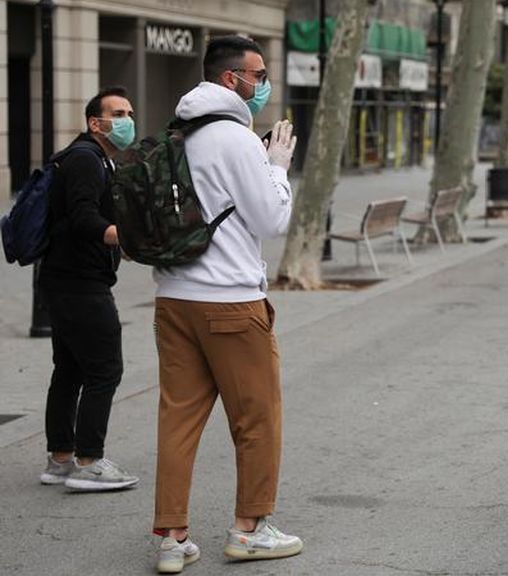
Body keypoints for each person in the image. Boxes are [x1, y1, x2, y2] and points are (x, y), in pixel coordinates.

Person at [150, 35, 300, 574]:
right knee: (257, 418)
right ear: (232, 79)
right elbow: (271, 221)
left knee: (178, 420)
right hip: (231, 302)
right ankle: (251, 528)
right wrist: (277, 166)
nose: (264, 86)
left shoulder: (178, 132)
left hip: (173, 298)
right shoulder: (235, 140)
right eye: (259, 76)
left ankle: (171, 537)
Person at [38, 86, 140, 492]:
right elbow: (83, 218)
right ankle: (89, 461)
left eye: (129, 111)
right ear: (95, 123)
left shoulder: (91, 157)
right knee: (105, 369)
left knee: (70, 369)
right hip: (80, 284)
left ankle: (60, 458)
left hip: (64, 281)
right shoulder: (85, 159)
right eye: (118, 113)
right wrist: (125, 237)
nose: (127, 120)